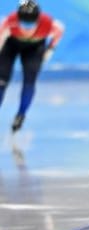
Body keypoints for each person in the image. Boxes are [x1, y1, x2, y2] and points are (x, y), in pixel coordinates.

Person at [0, 0, 64, 132]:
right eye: (23, 23)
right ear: (18, 19)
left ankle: (21, 115)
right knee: (1, 81)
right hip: (11, 45)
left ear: (38, 20)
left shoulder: (49, 23)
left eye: (30, 24)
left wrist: (50, 49)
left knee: (29, 81)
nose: (26, 29)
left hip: (34, 49)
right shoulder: (9, 21)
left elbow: (59, 32)